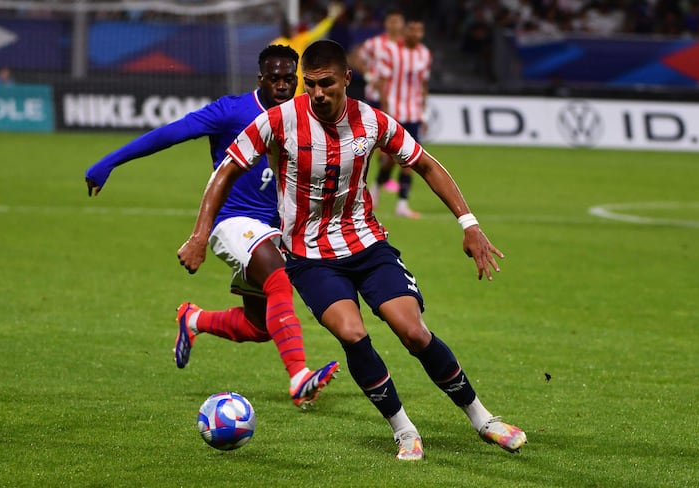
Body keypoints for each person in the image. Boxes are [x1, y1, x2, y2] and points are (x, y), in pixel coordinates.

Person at [177, 39, 527, 460]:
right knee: (352, 332)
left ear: (347, 78)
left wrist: (468, 224)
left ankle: (483, 419)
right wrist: (200, 235)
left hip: (366, 244)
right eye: (311, 85)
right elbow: (227, 169)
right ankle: (403, 429)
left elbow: (426, 165)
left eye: (327, 83)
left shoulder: (373, 122)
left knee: (413, 331)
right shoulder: (278, 121)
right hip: (309, 256)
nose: (318, 93)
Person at [85, 44, 339, 409]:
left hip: (275, 231)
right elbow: (170, 133)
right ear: (261, 79)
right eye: (275, 79)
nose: (283, 86)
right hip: (232, 223)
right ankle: (299, 376)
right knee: (278, 277)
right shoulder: (232, 110)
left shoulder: (305, 115)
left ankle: (195, 319)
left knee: (261, 327)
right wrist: (109, 162)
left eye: (289, 79)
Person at [373, 15, 432, 219]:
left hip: (413, 113)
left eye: (420, 31)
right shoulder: (390, 51)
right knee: (390, 159)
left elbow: (423, 85)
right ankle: (377, 188)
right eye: (413, 29)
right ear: (406, 31)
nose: (416, 34)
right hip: (394, 113)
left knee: (411, 160)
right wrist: (385, 109)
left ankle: (402, 204)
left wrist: (424, 112)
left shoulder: (424, 54)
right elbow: (381, 81)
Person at [349, 8, 404, 205]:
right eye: (392, 21)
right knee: (369, 145)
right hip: (376, 101)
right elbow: (354, 57)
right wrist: (368, 75)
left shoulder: (407, 48)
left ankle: (382, 182)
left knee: (395, 146)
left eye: (398, 21)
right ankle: (360, 186)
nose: (395, 25)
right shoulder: (375, 44)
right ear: (386, 24)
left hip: (401, 102)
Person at [271, 1, 345, 95]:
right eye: (288, 28)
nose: (291, 30)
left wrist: (330, 19)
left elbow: (317, 32)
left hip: (298, 88)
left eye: (291, 28)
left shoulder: (299, 40)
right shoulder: (276, 44)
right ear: (283, 29)